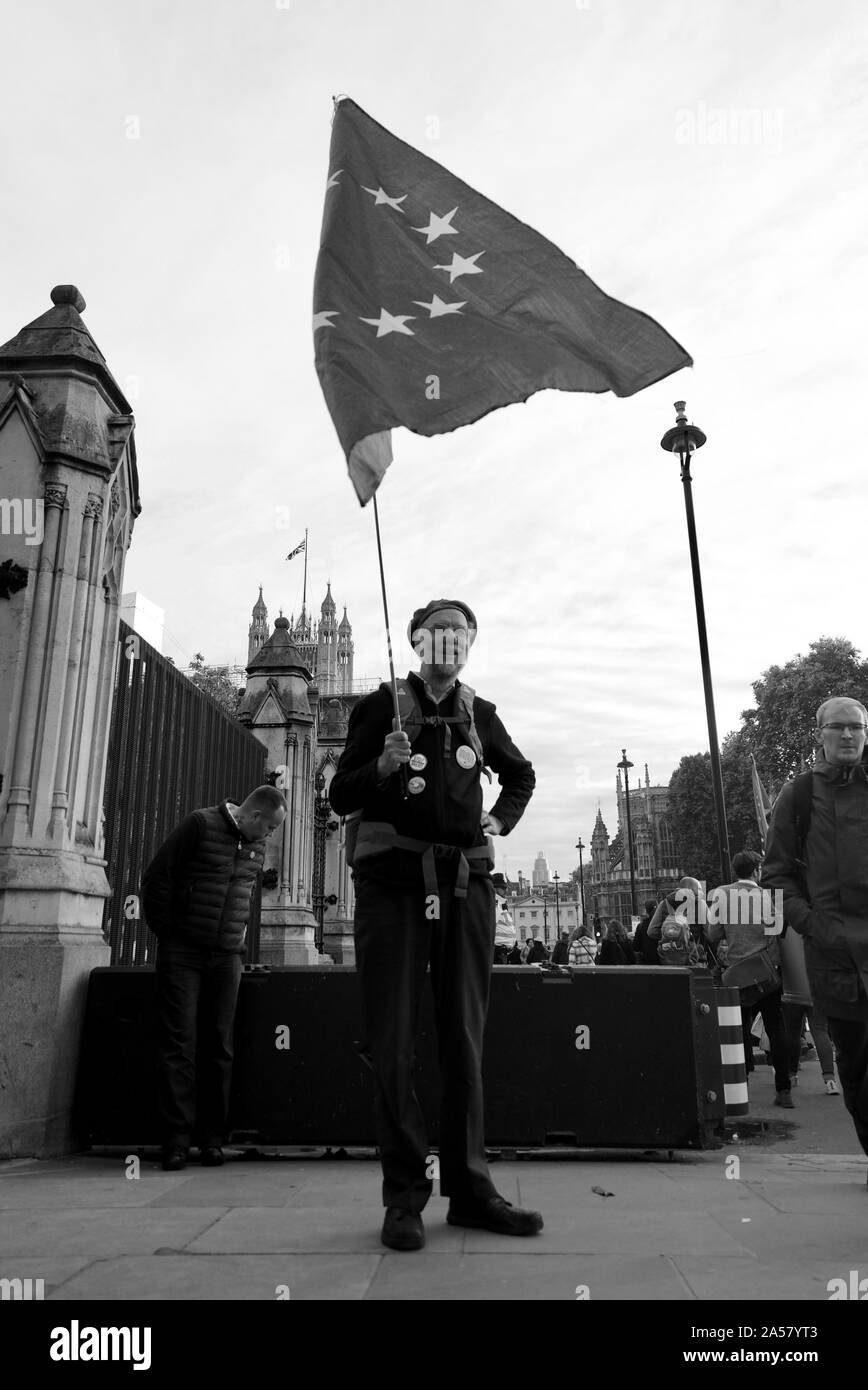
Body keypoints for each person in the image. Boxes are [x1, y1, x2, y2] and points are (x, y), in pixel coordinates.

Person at [328, 598, 541, 1251]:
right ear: (419, 639)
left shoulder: (481, 714)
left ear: (470, 645)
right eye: (438, 630)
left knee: (465, 1039)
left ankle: (472, 1191)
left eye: (461, 632)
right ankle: (404, 1198)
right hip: (393, 886)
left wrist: (497, 822)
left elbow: (521, 776)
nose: (449, 641)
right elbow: (341, 795)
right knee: (393, 1040)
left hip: (465, 886)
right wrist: (384, 766)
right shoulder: (380, 707)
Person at [141, 785, 286, 1170]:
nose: (269, 837)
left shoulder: (255, 848)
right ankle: (176, 1141)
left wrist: (236, 941)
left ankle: (211, 1140)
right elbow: (157, 877)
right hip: (184, 953)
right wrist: (170, 934)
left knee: (220, 1046)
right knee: (179, 1043)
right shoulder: (200, 825)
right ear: (254, 816)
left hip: (227, 958)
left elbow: (243, 894)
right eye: (270, 828)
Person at [762, 696, 868, 1158]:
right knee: (859, 1069)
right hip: (834, 956)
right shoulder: (798, 795)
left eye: (857, 727)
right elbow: (776, 875)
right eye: (839, 727)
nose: (849, 735)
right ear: (821, 735)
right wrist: (812, 924)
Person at [706, 849, 793, 1108]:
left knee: (738, 1029)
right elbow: (779, 933)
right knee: (776, 1029)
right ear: (756, 870)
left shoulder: (722, 894)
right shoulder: (769, 897)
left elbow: (712, 934)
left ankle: (739, 1083)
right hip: (766, 973)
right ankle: (784, 1090)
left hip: (737, 973)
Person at [632, 898, 662, 966]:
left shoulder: (641, 926)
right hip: (661, 961)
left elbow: (635, 947)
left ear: (646, 911)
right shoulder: (662, 924)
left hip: (646, 963)